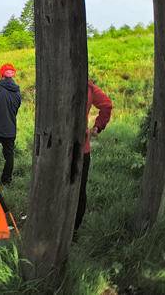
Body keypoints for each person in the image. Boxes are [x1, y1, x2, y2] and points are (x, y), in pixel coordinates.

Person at [75, 80, 112, 232]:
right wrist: (97, 127)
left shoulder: (57, 83)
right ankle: (74, 230)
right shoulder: (88, 87)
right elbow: (107, 105)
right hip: (82, 148)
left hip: (57, 149)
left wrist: (97, 125)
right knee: (79, 190)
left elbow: (106, 105)